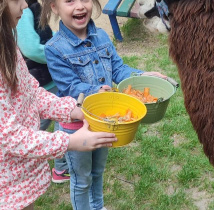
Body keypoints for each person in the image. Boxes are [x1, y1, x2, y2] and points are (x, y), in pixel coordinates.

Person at [39, 0, 167, 209]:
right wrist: (95, 92)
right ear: (54, 7)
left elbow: (118, 69)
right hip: (76, 130)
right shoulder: (54, 48)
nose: (80, 6)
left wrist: (142, 76)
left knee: (97, 172)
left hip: (105, 122)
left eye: (85, 0)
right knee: (81, 180)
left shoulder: (102, 37)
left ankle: (97, 207)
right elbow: (69, 85)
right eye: (70, 1)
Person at [0, 0, 118, 208]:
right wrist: (69, 142)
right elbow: (7, 136)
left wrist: (74, 110)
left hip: (20, 180)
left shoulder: (8, 44)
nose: (25, 6)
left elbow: (32, 93)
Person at [16, 0, 70, 184]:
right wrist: (59, 53)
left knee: (61, 120)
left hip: (47, 78)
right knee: (36, 127)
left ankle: (62, 167)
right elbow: (31, 48)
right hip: (40, 82)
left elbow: (45, 35)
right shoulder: (22, 10)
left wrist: (63, 40)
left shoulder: (33, 5)